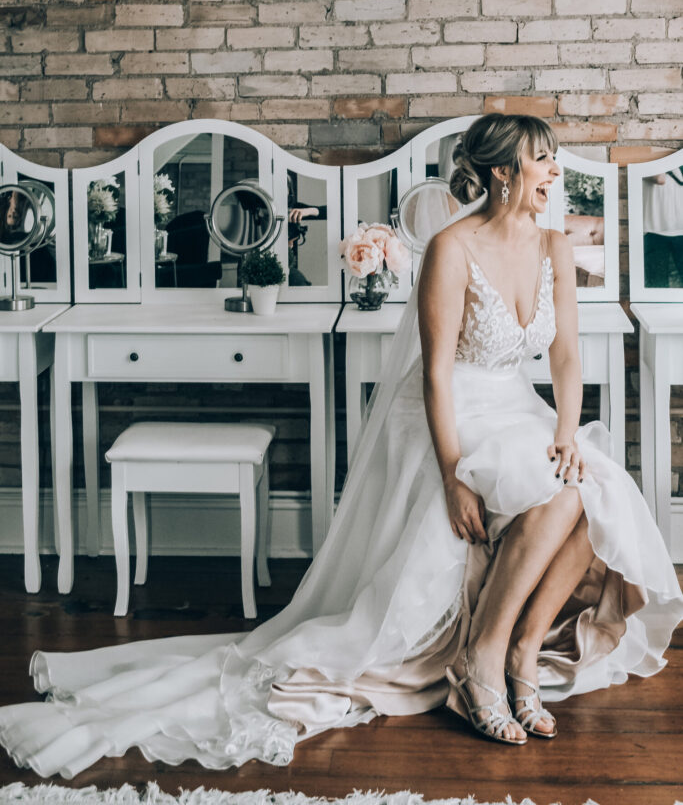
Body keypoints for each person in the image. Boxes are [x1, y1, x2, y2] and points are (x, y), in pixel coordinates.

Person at [0, 114, 681, 776]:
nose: (554, 171)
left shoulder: (554, 245)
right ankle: (482, 662)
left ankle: (514, 653)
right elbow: (437, 371)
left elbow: (565, 354)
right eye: (542, 159)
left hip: (517, 406)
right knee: (561, 498)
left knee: (590, 485)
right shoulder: (452, 247)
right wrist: (451, 475)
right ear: (503, 172)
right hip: (454, 409)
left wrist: (566, 429)